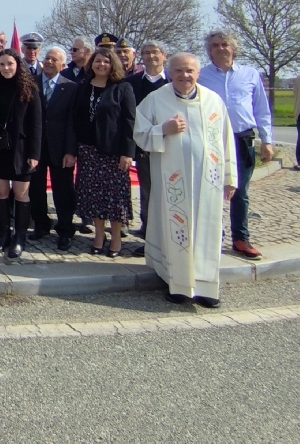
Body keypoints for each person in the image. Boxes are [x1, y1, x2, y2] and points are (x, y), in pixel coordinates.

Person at [134, 53, 238, 307]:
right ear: (170, 73)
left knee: (207, 231)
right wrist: (163, 130)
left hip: (207, 183)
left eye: (190, 70)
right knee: (175, 229)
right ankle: (177, 284)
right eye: (179, 71)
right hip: (173, 182)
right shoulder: (156, 100)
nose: (184, 75)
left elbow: (226, 140)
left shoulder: (214, 101)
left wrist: (229, 177)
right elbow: (139, 132)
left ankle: (206, 287)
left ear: (198, 73)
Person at [198, 29, 272, 261]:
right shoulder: (200, 75)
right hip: (210, 140)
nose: (220, 48)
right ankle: (212, 237)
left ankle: (241, 238)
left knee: (240, 191)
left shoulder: (250, 74)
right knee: (210, 189)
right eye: (215, 45)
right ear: (209, 51)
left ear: (233, 48)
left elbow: (261, 109)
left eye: (224, 44)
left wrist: (267, 140)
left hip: (242, 139)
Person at [68, 47, 136, 258]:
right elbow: (74, 120)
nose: (101, 65)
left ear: (112, 64)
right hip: (88, 151)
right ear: (91, 63)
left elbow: (129, 122)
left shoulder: (122, 88)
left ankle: (115, 237)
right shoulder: (83, 87)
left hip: (113, 153)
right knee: (94, 197)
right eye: (97, 61)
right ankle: (99, 235)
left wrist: (127, 152)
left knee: (114, 199)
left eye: (106, 62)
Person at [0, 48, 42, 257]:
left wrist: (34, 154)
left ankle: (20, 237)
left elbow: (36, 124)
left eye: (10, 64)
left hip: (22, 150)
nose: (6, 68)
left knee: (21, 193)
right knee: (1, 192)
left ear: (18, 65)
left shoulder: (29, 88)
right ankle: (5, 234)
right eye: (2, 64)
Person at [30, 46, 79, 249]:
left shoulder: (71, 87)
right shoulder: (32, 85)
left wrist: (70, 151)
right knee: (36, 188)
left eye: (54, 59)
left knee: (63, 190)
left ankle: (65, 229)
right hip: (37, 146)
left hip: (61, 148)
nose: (49, 62)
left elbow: (73, 122)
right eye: (47, 58)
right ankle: (41, 224)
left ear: (63, 65)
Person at [126, 41, 170, 245]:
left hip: (172, 145)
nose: (151, 56)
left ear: (164, 55)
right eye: (146, 53)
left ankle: (170, 232)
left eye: (155, 53)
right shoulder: (132, 82)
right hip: (143, 144)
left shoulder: (173, 80)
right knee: (147, 190)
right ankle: (148, 232)